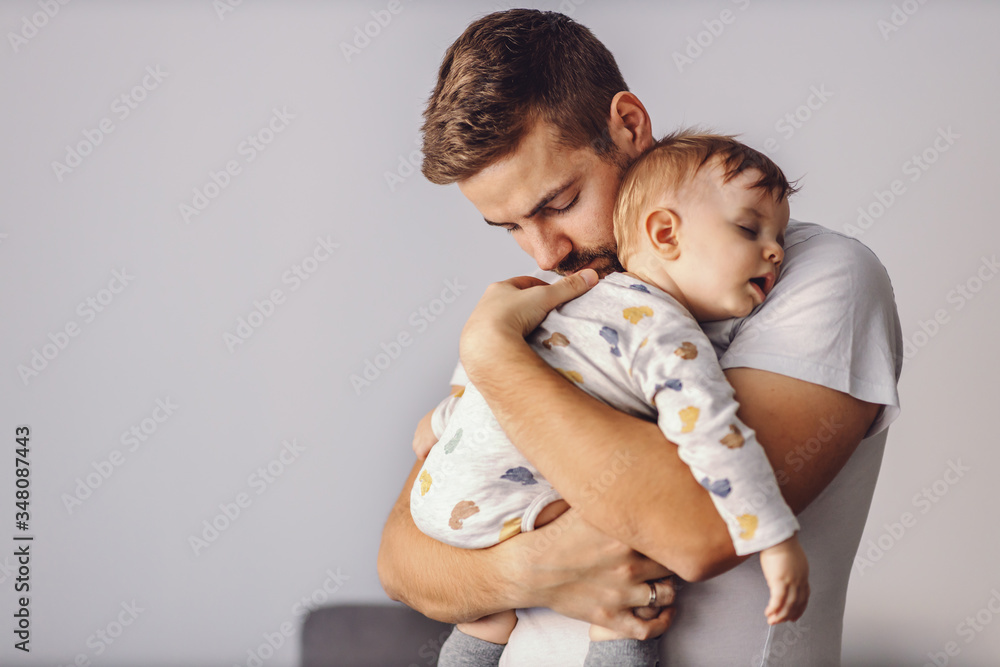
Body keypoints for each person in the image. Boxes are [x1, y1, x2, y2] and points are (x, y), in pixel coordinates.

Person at [377, 9, 902, 665]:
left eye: (558, 202)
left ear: (628, 125)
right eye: (509, 227)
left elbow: (698, 531)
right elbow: (403, 555)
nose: (544, 252)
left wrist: (494, 358)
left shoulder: (814, 276)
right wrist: (531, 570)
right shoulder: (569, 312)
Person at [410, 132, 810, 667]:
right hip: (505, 505)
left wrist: (441, 418)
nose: (777, 249)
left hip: (439, 497)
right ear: (664, 232)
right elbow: (715, 435)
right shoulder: (669, 332)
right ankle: (615, 642)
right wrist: (776, 538)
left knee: (485, 615)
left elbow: (489, 357)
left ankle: (475, 640)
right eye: (748, 228)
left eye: (778, 233)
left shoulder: (572, 296)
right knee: (635, 541)